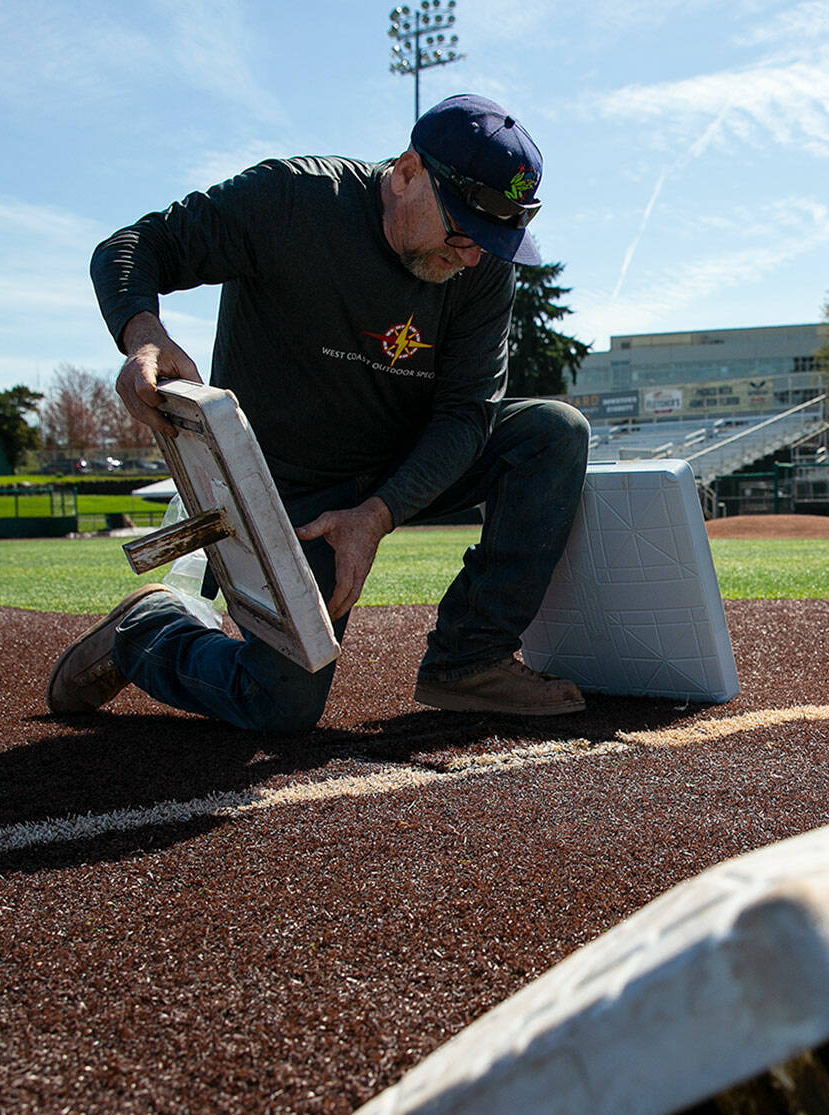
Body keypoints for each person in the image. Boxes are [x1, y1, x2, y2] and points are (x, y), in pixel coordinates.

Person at [47, 94, 589, 731]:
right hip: (286, 483)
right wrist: (143, 333)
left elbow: (466, 414)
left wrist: (377, 514)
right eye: (463, 232)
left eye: (492, 242)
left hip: (394, 464)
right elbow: (137, 244)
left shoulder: (482, 267)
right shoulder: (294, 202)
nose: (472, 256)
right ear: (410, 172)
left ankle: (468, 659)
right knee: (280, 704)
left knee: (552, 431)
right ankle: (147, 632)